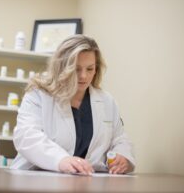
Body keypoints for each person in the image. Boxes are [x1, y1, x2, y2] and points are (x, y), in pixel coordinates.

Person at [11, 34, 135, 175]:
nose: (83, 76)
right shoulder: (39, 95)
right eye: (76, 69)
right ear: (62, 67)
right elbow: (26, 136)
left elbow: (119, 138)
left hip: (87, 181)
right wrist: (60, 160)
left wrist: (122, 156)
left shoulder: (106, 101)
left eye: (90, 69)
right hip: (37, 177)